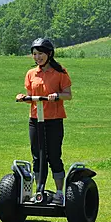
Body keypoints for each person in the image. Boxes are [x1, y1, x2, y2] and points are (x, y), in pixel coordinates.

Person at [16, 38, 72, 205]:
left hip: (53, 120)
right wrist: (22, 97)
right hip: (35, 119)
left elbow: (68, 94)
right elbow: (31, 97)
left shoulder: (60, 72)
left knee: (54, 155)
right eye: (34, 54)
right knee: (37, 156)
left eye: (40, 53)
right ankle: (38, 191)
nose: (37, 57)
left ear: (49, 54)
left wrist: (57, 96)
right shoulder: (31, 73)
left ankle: (60, 192)